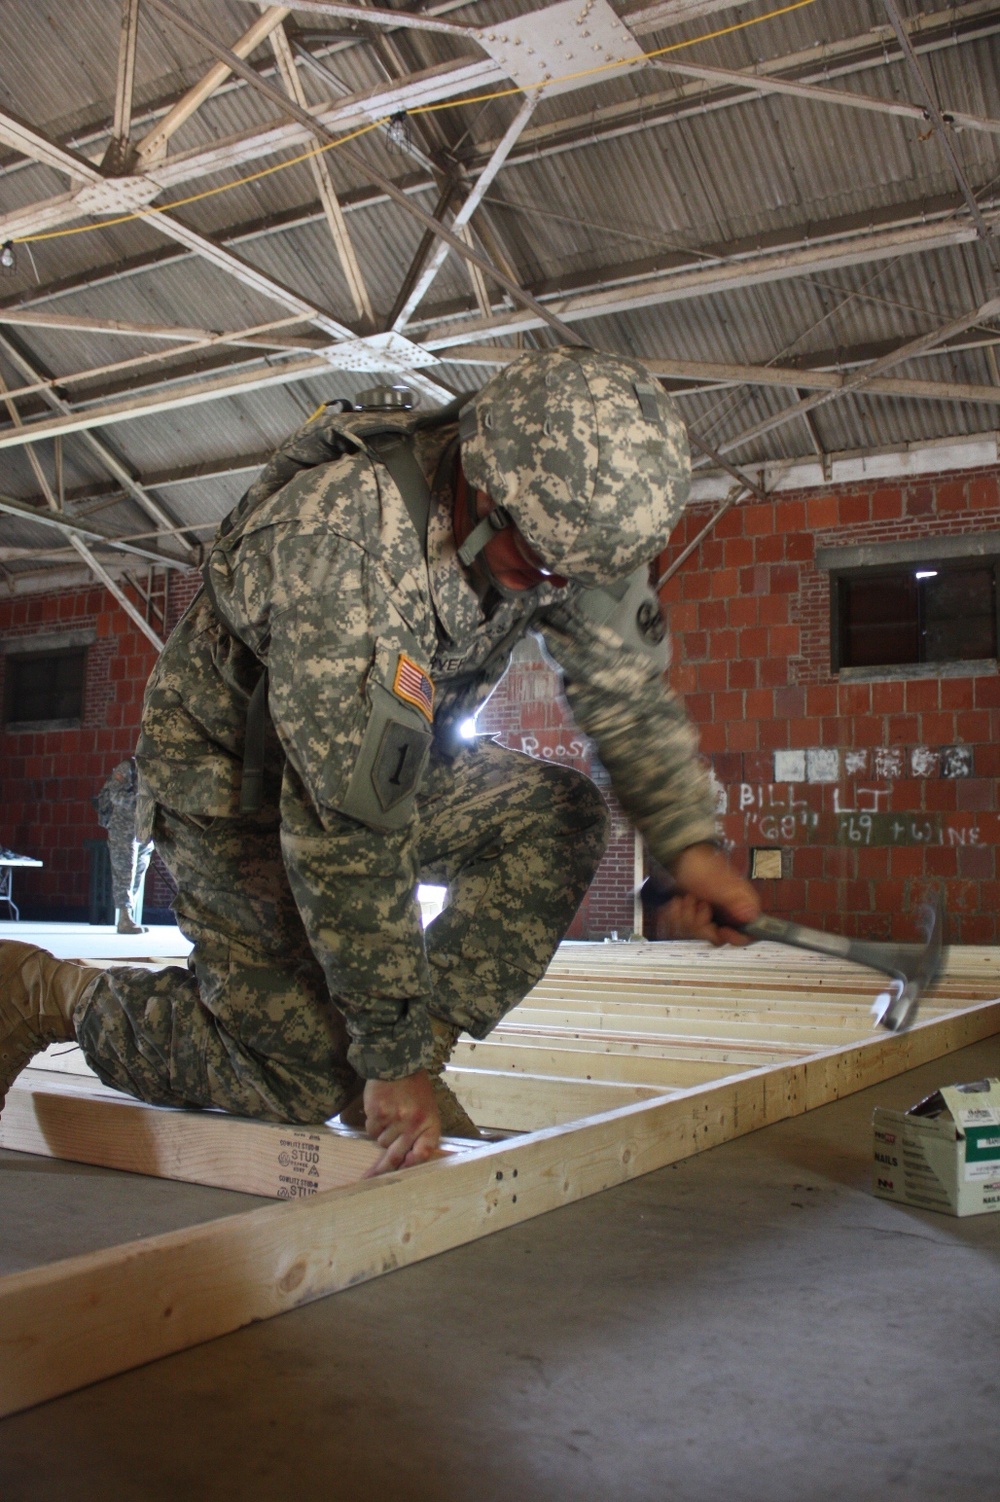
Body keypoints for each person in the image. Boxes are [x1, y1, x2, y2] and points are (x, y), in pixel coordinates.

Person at [0, 347, 758, 1175]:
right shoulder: (346, 543)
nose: (550, 589)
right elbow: (348, 835)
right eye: (539, 564)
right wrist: (383, 1051)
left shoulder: (564, 522)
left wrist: (691, 848)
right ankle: (49, 994)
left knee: (558, 819)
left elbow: (626, 688)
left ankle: (401, 1068)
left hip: (371, 762)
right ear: (481, 478)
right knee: (298, 1074)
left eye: (569, 575)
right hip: (229, 786)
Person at [95, 758, 154, 934]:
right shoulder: (128, 767)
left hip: (144, 828)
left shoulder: (158, 769)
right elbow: (116, 795)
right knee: (125, 871)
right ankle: (123, 918)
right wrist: (145, 804)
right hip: (123, 827)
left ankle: (129, 916)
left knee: (138, 872)